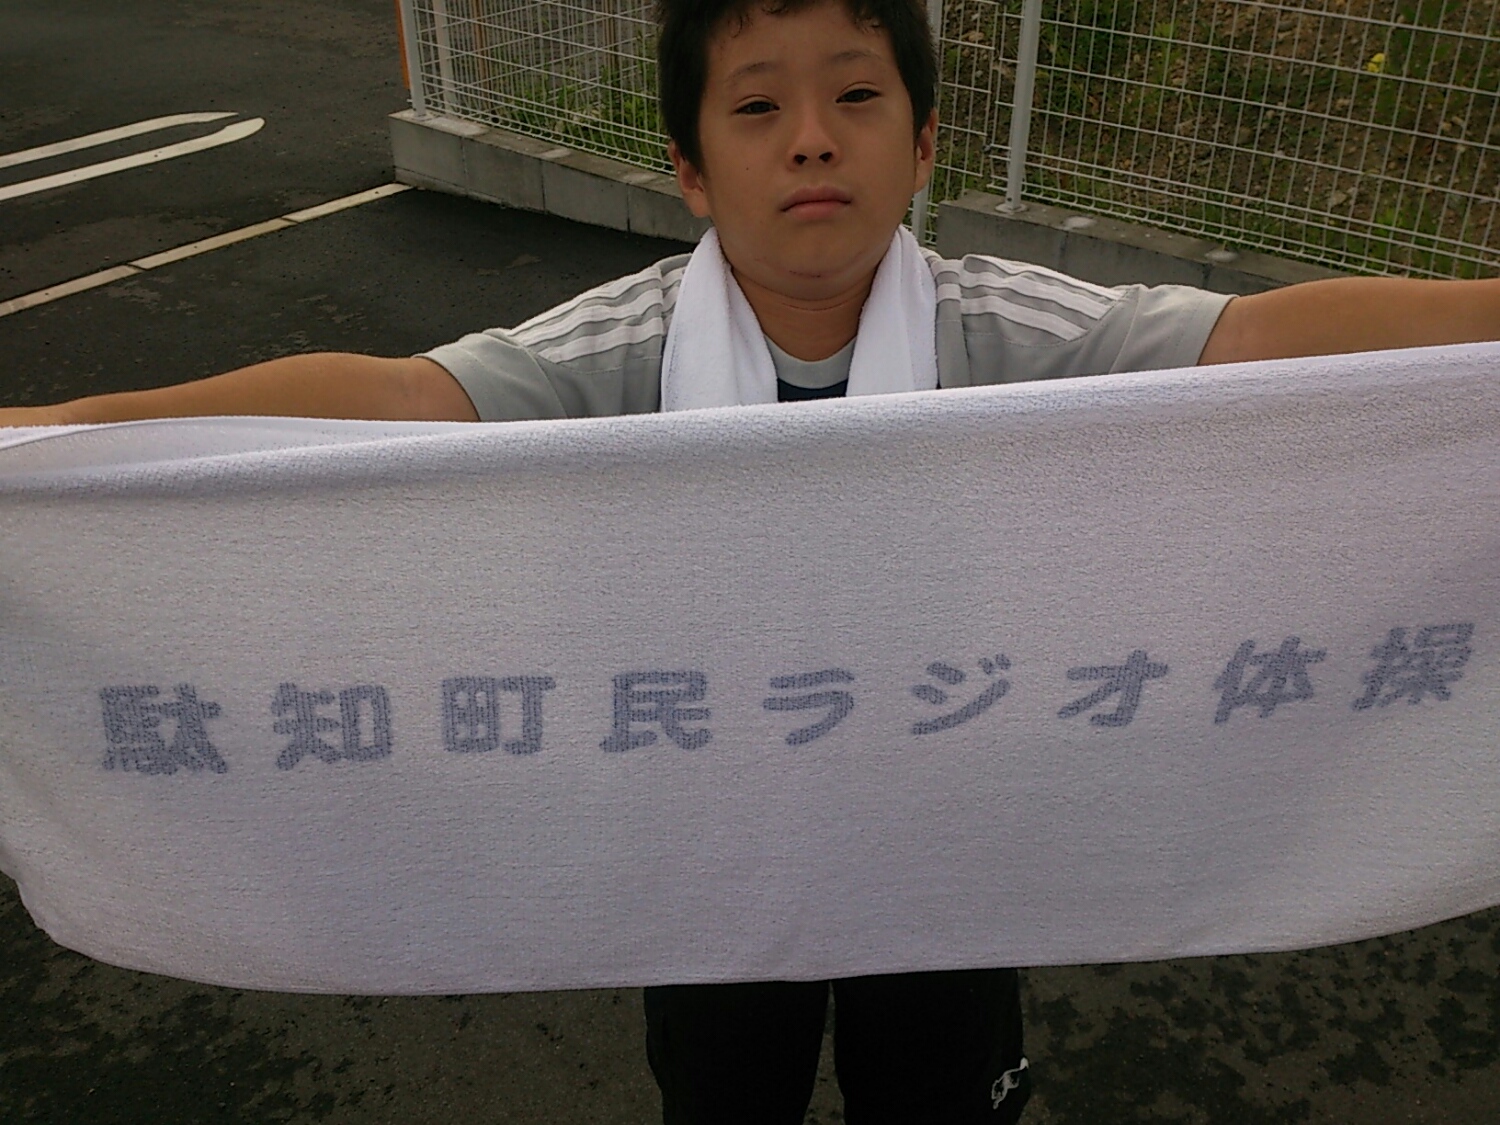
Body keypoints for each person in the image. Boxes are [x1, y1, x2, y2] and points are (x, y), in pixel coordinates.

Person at [2, 1, 1497, 1120]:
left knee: (939, 1093)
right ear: (691, 169)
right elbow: (401, 398)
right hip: (704, 847)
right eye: (759, 104)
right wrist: (63, 431)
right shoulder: (624, 345)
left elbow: (1253, 341)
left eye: (857, 94)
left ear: (924, 142)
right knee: (724, 1096)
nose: (812, 137)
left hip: (951, 838)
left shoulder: (1002, 327)